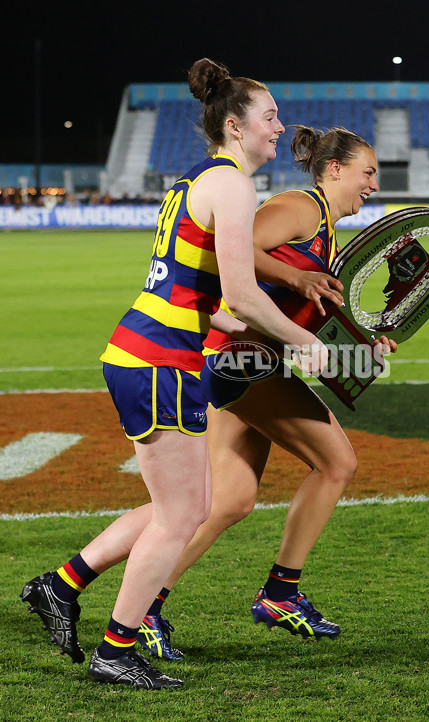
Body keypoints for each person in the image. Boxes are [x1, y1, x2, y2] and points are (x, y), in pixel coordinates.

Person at [20, 59, 327, 690]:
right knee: (183, 515)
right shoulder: (235, 186)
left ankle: (61, 584)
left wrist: (261, 333)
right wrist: (300, 339)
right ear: (236, 126)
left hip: (147, 352)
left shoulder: (200, 179)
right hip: (158, 361)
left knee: (183, 505)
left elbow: (205, 296)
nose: (281, 127)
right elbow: (241, 293)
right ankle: (116, 650)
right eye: (269, 117)